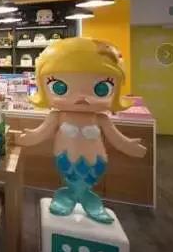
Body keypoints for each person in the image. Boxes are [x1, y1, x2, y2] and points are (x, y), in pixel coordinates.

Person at [17, 38, 146, 224]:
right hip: (65, 159)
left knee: (88, 177)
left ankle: (87, 198)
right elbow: (40, 133)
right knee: (68, 174)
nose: (81, 98)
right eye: (59, 87)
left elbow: (117, 138)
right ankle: (70, 196)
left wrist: (131, 147)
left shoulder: (100, 119)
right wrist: (21, 138)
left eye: (102, 88)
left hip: (96, 162)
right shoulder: (57, 116)